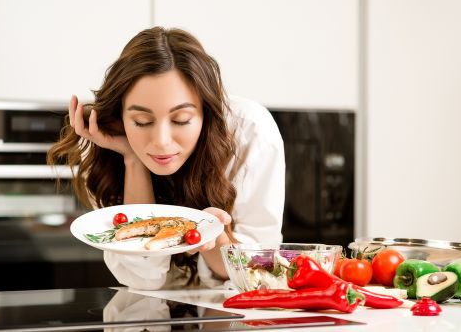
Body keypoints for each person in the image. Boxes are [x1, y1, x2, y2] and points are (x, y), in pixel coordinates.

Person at [47, 26, 285, 290]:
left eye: (181, 120)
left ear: (206, 112)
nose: (161, 141)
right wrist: (132, 159)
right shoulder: (107, 141)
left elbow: (256, 272)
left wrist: (211, 234)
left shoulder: (250, 131)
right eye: (142, 121)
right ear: (121, 114)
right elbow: (142, 278)